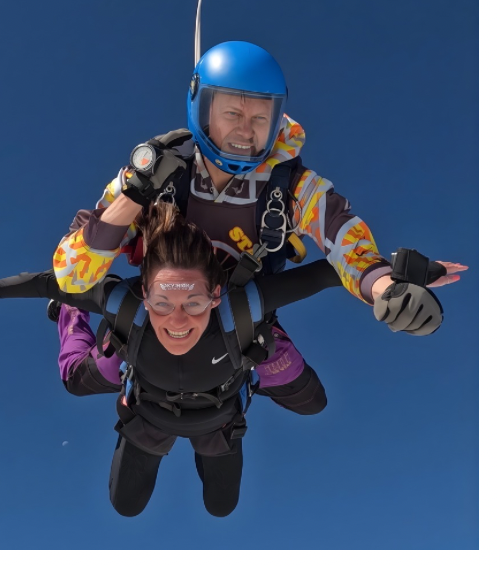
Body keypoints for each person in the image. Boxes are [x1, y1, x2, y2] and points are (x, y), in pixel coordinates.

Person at [0, 203, 454, 518]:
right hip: (148, 412)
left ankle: (266, 341)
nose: (177, 320)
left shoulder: (238, 306)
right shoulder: (127, 305)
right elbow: (38, 283)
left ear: (216, 296)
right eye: (163, 303)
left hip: (219, 414)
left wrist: (400, 275)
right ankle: (75, 314)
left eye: (194, 303)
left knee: (240, 486)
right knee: (116, 480)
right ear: (143, 293)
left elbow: (336, 270)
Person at [50, 40, 466, 405]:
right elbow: (70, 273)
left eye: (260, 119)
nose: (245, 131)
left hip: (245, 311)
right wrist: (136, 195)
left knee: (308, 399)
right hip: (163, 309)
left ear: (277, 120)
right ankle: (72, 318)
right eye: (232, 113)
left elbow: (341, 233)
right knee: (82, 379)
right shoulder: (160, 174)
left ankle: (242, 378)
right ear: (202, 109)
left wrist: (385, 288)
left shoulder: (290, 185)